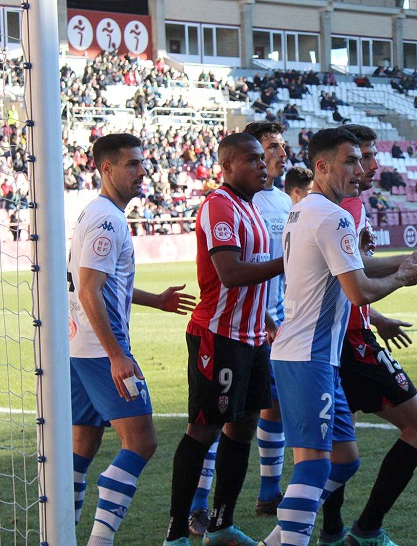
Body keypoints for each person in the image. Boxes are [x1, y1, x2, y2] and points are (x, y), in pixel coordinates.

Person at [256, 128, 417, 546]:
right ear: (322, 166)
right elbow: (360, 291)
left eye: (361, 160)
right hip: (308, 356)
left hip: (313, 356)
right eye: (350, 162)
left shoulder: (305, 209)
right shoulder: (333, 216)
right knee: (315, 468)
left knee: (344, 461)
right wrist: (403, 277)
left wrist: (405, 260)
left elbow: (351, 269)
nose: (361, 170)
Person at [317, 124, 417, 545]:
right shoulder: (340, 210)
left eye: (372, 156)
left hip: (342, 336)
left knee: (337, 449)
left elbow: (343, 274)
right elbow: (351, 275)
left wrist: (375, 315)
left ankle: (333, 529)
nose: (372, 165)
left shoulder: (338, 205)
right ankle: (364, 527)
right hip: (348, 342)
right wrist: (404, 269)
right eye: (362, 157)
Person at [68, 133, 196, 546]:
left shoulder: (98, 212)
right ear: (107, 169)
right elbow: (89, 290)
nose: (143, 171)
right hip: (99, 351)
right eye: (132, 164)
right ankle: (98, 543)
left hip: (77, 348)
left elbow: (106, 283)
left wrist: (154, 300)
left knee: (81, 448)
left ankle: (61, 535)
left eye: (143, 163)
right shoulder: (107, 219)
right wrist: (116, 355)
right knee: (141, 441)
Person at [163, 133, 284, 546]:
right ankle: (177, 533)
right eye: (252, 159)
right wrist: (291, 259)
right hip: (219, 337)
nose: (261, 166)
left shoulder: (250, 208)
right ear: (228, 166)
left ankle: (220, 525)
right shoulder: (219, 205)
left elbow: (247, 275)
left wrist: (264, 316)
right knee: (204, 432)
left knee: (243, 429)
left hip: (252, 338)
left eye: (261, 159)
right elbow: (230, 273)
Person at [246, 121, 292, 517]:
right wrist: (261, 314)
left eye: (282, 145)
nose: (281, 153)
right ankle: (195, 506)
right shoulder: (242, 203)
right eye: (272, 146)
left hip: (280, 321)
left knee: (272, 405)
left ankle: (268, 492)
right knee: (224, 416)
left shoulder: (284, 202)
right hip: (248, 322)